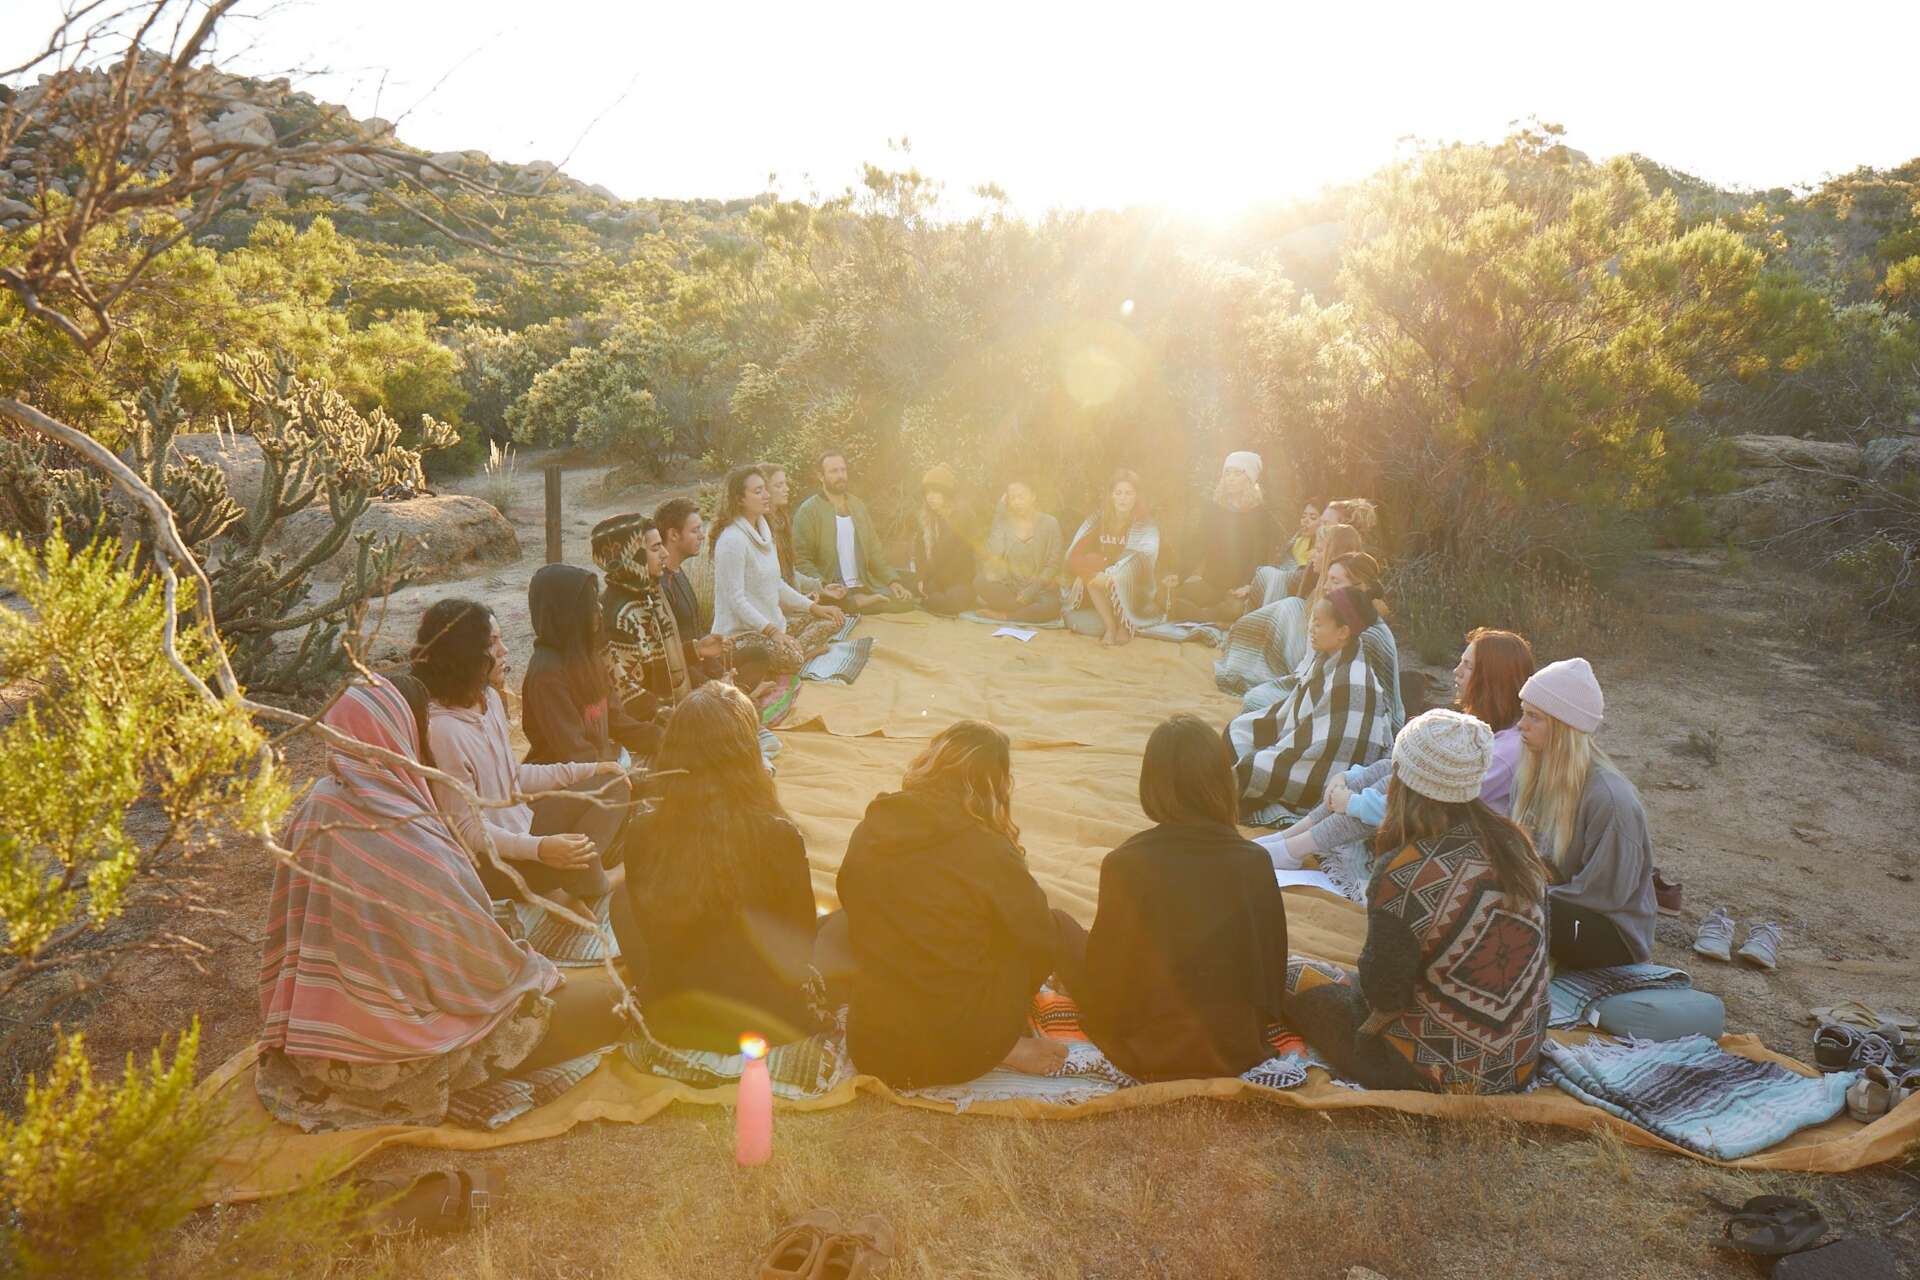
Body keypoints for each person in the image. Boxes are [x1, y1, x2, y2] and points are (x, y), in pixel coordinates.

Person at [255, 675, 623, 1131]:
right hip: (401, 1057)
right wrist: (531, 969)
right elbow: (479, 973)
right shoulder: (404, 830)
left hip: (311, 1041)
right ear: (398, 735)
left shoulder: (319, 802)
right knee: (611, 1001)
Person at [1282, 709, 1552, 1094]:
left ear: (1403, 779)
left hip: (1431, 1071)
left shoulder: (1404, 871)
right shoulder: (1518, 848)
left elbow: (1383, 993)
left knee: (1288, 975)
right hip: (1518, 1062)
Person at [831, 720, 1085, 1087]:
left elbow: (852, 902)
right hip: (957, 1051)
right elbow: (1039, 938)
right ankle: (1016, 1043)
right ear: (995, 786)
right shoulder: (987, 848)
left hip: (874, 1046)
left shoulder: (872, 827)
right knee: (1055, 924)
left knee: (853, 923)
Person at [611, 684, 824, 1052]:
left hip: (674, 1019)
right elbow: (801, 944)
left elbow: (649, 925)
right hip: (765, 1021)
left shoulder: (642, 828)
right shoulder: (779, 835)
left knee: (621, 901)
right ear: (747, 755)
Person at [1078, 715, 1290, 1082]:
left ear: (1152, 785)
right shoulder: (1254, 862)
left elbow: (1105, 984)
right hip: (1236, 1049)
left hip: (1146, 1051)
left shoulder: (1124, 863)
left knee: (1064, 931)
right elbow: (1272, 981)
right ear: (1222, 782)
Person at [412, 598, 628, 908]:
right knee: (562, 849)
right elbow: (468, 829)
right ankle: (593, 882)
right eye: (492, 643)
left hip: (521, 828)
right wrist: (539, 849)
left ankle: (564, 884)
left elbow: (512, 776)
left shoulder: (488, 699)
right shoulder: (443, 731)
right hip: (489, 863)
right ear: (464, 653)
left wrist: (589, 771)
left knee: (614, 784)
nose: (504, 651)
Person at [1265, 625, 1533, 870]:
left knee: (1386, 793)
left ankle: (1291, 850)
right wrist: (1349, 777)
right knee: (1390, 770)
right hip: (1437, 820)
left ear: (1492, 679)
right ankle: (1289, 839)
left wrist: (1352, 803)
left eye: (1468, 666)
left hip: (1461, 842)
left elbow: (1424, 806)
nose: (1456, 671)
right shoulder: (1484, 730)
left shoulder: (1504, 753)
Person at [1509, 657, 1657, 968]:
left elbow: (1601, 897)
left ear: (1564, 729)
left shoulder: (1611, 800)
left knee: (1502, 911)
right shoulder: (1530, 777)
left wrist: (1519, 896)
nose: (1521, 725)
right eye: (1523, 713)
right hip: (1551, 904)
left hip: (1607, 931)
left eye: (1534, 717)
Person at [1224, 587, 1395, 824]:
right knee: (1237, 730)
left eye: (1319, 623)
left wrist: (1278, 754)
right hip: (1306, 746)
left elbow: (1330, 752)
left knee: (1251, 768)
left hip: (1329, 774)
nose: (1311, 628)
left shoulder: (1352, 680)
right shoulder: (1330, 656)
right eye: (1313, 621)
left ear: (1343, 632)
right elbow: (1296, 713)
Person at [1219, 542, 1403, 733]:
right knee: (1255, 698)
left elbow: (1366, 698)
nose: (1326, 586)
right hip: (1326, 691)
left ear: (1361, 587)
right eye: (1327, 579)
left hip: (1359, 714)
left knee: (1258, 704)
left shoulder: (1368, 634)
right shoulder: (1346, 617)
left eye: (1335, 581)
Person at [589, 513, 728, 724]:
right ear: (631, 557)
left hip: (670, 715)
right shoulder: (617, 614)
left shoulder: (648, 595)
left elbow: (654, 664)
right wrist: (691, 716)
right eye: (655, 548)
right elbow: (628, 697)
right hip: (651, 728)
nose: (665, 553)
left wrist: (696, 650)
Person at [710, 464, 847, 674]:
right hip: (740, 635)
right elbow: (736, 601)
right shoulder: (732, 540)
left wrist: (814, 608)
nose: (767, 495)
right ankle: (799, 655)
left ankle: (796, 651)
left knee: (833, 619)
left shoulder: (765, 530)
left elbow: (777, 584)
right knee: (791, 657)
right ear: (739, 499)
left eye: (766, 489)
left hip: (772, 627)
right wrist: (773, 632)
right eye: (758, 491)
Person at [521, 562, 661, 765]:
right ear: (566, 614)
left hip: (602, 766)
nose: (600, 608)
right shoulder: (546, 674)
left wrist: (667, 738)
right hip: (570, 778)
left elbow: (616, 721)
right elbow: (575, 753)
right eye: (591, 602)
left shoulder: (587, 656)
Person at [790, 447, 914, 614]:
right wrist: (824, 586)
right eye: (834, 471)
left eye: (843, 470)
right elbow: (802, 560)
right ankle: (860, 602)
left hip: (864, 584)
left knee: (906, 601)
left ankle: (862, 601)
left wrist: (893, 582)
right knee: (834, 604)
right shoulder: (808, 511)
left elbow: (874, 553)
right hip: (833, 588)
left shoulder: (858, 506)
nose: (840, 475)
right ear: (821, 476)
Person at [1163, 451, 1278, 625]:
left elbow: (1259, 555)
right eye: (1227, 473)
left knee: (1235, 610)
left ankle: (1197, 614)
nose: (1230, 479)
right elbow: (1199, 545)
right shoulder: (1213, 509)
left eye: (1237, 474)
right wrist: (1180, 574)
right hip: (1212, 584)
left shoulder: (1259, 514)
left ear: (1249, 479)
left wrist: (1249, 585)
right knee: (1164, 594)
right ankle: (1207, 616)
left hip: (1238, 589)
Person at [1062, 468, 1161, 646]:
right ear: (1111, 496)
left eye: (1129, 493)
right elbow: (1075, 556)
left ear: (1136, 496)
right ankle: (1110, 627)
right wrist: (1095, 571)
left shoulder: (1145, 524)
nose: (1123, 498)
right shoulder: (1098, 520)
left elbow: (1144, 560)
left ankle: (1124, 624)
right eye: (1118, 493)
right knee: (1093, 578)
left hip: (1132, 583)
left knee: (1119, 579)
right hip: (1103, 580)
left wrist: (1114, 575)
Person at [974, 478, 1065, 623]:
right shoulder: (1004, 523)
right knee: (980, 582)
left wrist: (1031, 591)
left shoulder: (1050, 523)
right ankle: (1022, 612)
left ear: (1033, 496)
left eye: (1021, 496)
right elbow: (994, 552)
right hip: (1011, 589)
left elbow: (1053, 565)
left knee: (1050, 606)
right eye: (1012, 498)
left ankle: (1006, 615)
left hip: (1039, 590)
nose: (1016, 502)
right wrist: (998, 515)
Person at [654, 496, 722, 684]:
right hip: (684, 676)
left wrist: (720, 673)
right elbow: (668, 659)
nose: (702, 536)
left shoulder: (678, 572)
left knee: (756, 655)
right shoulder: (660, 585)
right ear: (673, 535)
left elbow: (698, 634)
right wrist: (715, 685)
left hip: (702, 665)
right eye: (695, 530)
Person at [908, 464, 976, 615]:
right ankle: (933, 598)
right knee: (927, 593)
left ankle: (936, 600)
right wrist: (921, 579)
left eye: (935, 492)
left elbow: (963, 558)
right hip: (935, 579)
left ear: (947, 493)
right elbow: (919, 554)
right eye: (927, 492)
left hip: (959, 578)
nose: (930, 497)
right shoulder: (926, 519)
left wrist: (936, 581)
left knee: (953, 600)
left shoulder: (963, 517)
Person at [1288, 498, 1323, 571]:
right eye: (1303, 516)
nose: (1305, 520)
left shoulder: (1324, 550)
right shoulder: (1298, 542)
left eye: (1313, 518)